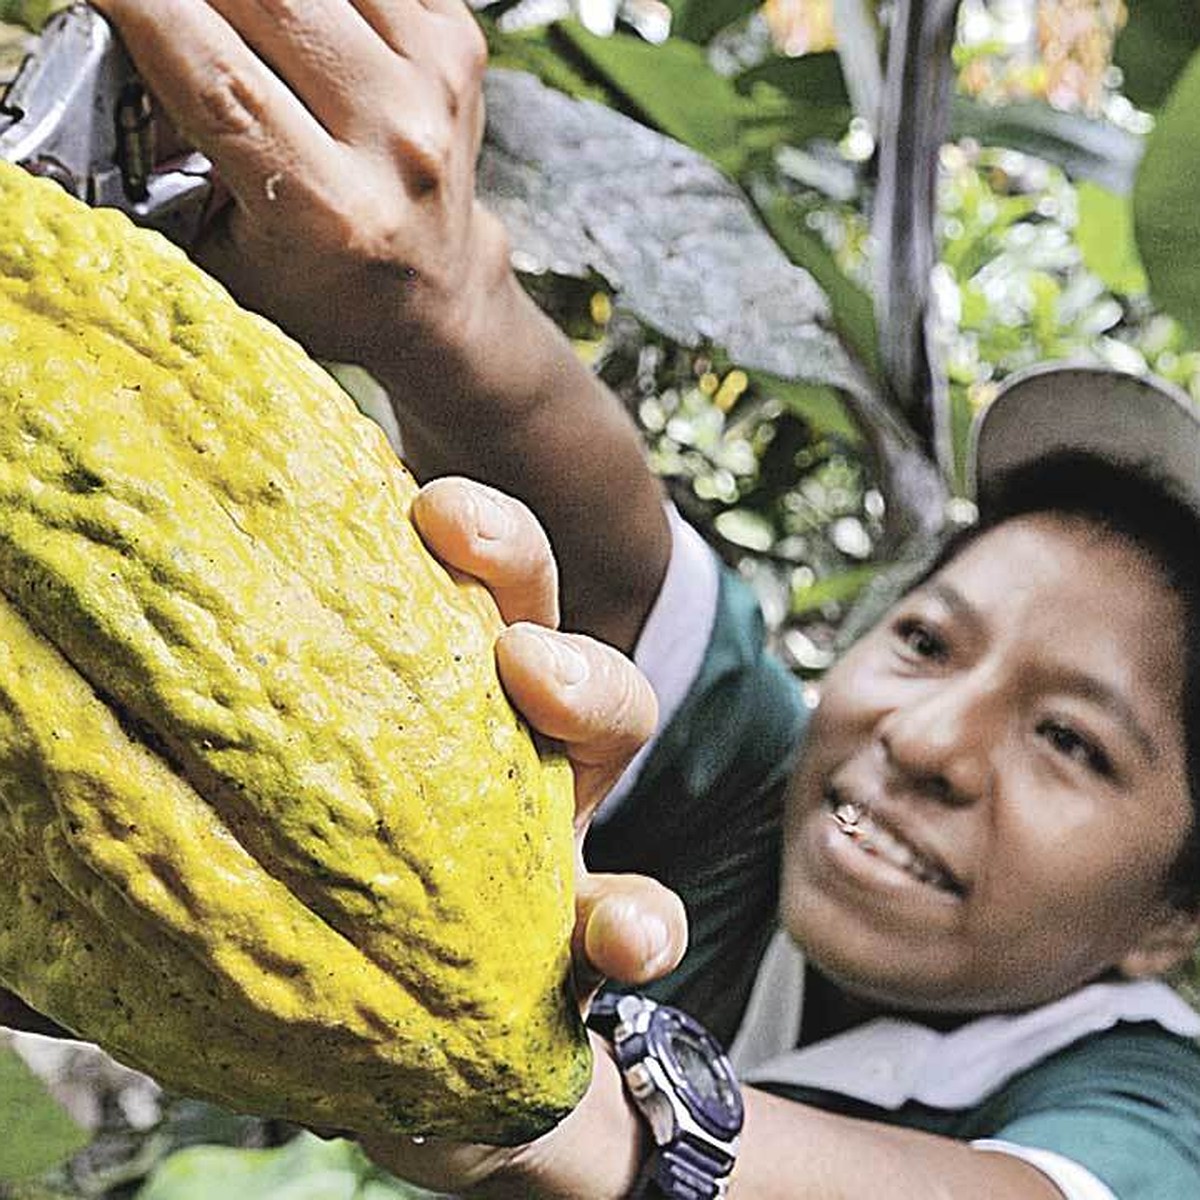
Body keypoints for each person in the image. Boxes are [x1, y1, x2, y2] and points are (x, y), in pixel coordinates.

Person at [8, 2, 1200, 1197]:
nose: (927, 739)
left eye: (1071, 742)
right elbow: (614, 561)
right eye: (930, 642)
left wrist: (567, 1118)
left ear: (1173, 919)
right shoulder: (770, 815)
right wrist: (433, 297)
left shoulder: (1151, 1099)